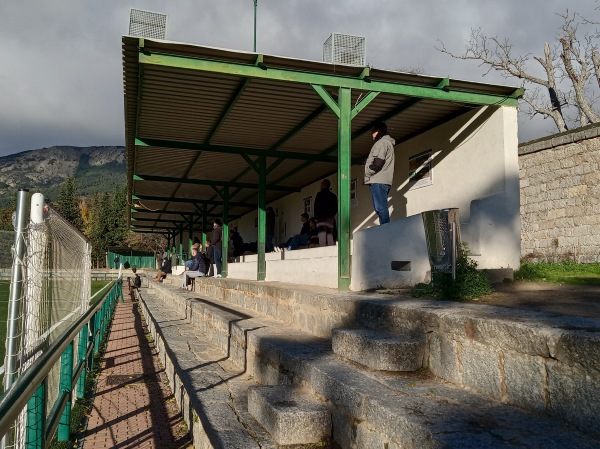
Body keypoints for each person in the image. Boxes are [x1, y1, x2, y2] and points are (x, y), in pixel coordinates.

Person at [364, 120, 396, 225]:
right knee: (381, 207)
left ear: (378, 131)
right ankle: (385, 229)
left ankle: (385, 230)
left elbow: (378, 162)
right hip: (385, 180)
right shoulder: (388, 143)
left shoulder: (381, 143)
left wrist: (368, 173)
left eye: (373, 131)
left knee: (380, 208)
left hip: (378, 180)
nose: (372, 134)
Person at [314, 179, 337, 246]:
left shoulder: (319, 195)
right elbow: (335, 208)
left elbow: (316, 206)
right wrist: (332, 216)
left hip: (321, 219)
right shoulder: (333, 196)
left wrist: (316, 218)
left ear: (323, 185)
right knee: (330, 237)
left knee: (322, 238)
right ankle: (332, 253)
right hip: (330, 219)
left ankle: (323, 253)